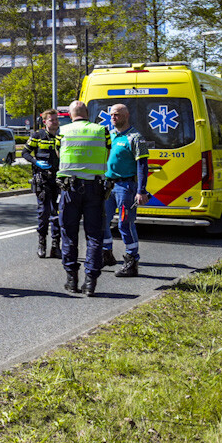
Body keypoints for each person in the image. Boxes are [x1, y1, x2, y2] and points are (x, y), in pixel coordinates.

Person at [56, 100, 111, 296]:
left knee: (69, 234)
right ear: (87, 113)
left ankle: (71, 280)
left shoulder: (63, 131)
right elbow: (108, 152)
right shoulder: (102, 130)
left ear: (70, 114)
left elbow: (58, 153)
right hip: (95, 188)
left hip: (70, 189)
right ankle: (90, 282)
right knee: (94, 235)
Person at [103, 102, 146, 279]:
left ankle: (132, 261)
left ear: (126, 115)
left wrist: (141, 190)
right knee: (102, 220)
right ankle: (106, 253)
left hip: (126, 187)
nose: (113, 118)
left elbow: (142, 165)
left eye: (117, 115)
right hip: (107, 185)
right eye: (112, 115)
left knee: (124, 224)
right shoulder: (109, 135)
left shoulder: (135, 137)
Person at [27, 110, 62, 260]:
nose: (54, 122)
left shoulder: (62, 136)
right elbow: (25, 153)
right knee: (44, 213)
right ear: (45, 122)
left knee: (58, 214)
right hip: (43, 180)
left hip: (59, 179)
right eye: (51, 120)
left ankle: (56, 245)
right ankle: (42, 243)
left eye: (56, 120)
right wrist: (36, 162)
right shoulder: (37, 136)